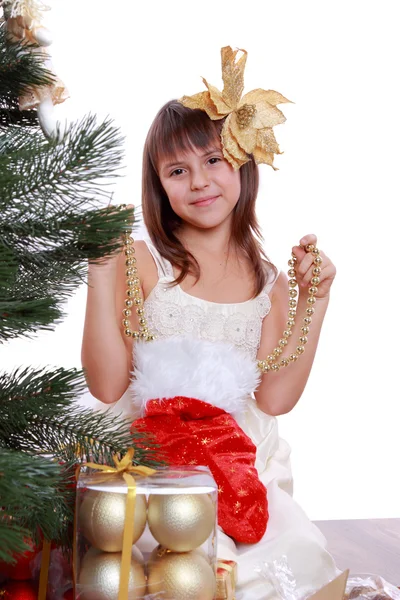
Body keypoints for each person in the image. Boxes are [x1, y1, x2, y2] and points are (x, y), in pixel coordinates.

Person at [81, 47, 338, 599]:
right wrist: (100, 269)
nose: (198, 181)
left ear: (243, 161)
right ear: (159, 184)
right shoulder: (143, 262)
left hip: (237, 458)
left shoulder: (270, 282)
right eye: (177, 170)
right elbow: (106, 384)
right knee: (148, 554)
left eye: (213, 160)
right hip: (149, 453)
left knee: (285, 553)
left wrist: (314, 297)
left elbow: (274, 399)